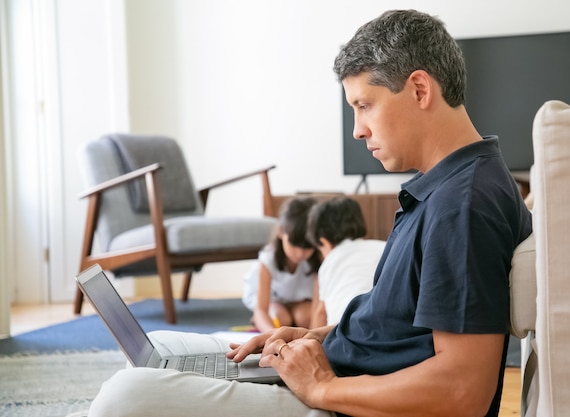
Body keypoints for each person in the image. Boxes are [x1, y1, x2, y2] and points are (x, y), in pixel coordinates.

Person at [89, 9, 532, 417]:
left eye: (364, 105)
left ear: (419, 89)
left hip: (342, 402)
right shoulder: (447, 186)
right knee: (160, 348)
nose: (358, 129)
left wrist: (319, 387)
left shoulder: (464, 204)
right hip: (336, 379)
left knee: (125, 397)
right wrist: (311, 338)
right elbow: (395, 327)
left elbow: (463, 391)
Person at [242, 197, 322, 332]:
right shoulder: (268, 258)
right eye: (294, 245)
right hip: (273, 300)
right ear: (280, 232)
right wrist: (272, 335)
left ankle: (292, 319)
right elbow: (261, 309)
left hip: (301, 300)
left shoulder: (318, 259)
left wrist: (314, 337)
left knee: (305, 317)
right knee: (280, 319)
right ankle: (261, 320)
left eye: (308, 247)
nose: (300, 253)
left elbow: (318, 307)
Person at [306, 196, 386, 327]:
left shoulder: (329, 264)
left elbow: (321, 314)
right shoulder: (384, 247)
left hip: (345, 335)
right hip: (388, 329)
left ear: (324, 242)